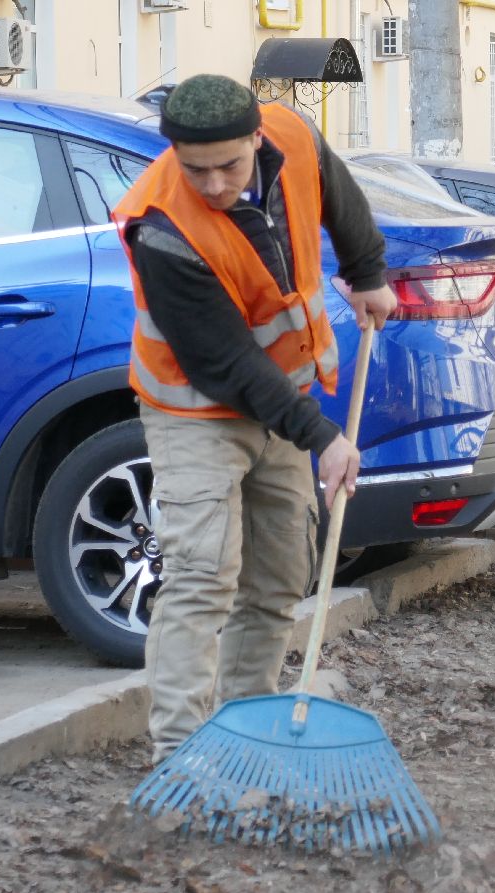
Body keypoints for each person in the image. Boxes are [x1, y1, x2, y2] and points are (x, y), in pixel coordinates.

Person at [111, 74, 398, 764]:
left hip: (282, 401)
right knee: (203, 577)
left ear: (257, 140)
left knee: (276, 579)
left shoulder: (293, 134)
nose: (213, 185)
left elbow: (334, 186)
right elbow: (225, 363)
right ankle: (181, 758)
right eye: (195, 168)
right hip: (194, 411)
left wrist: (367, 271)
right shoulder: (162, 227)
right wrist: (321, 437)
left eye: (229, 166)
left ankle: (247, 738)